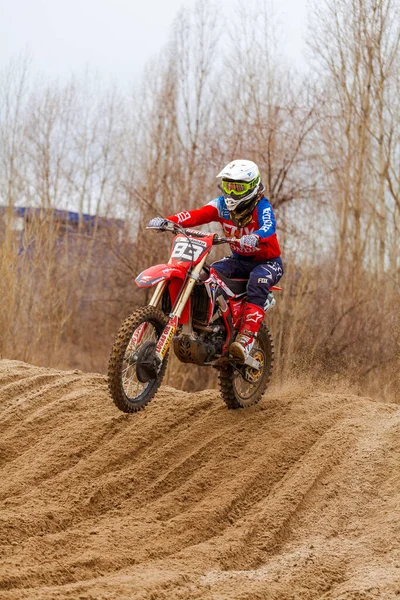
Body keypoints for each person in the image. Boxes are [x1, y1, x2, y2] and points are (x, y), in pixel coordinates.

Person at [148, 159, 283, 362]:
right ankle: (215, 326)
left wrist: (256, 236)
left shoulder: (261, 206)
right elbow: (196, 215)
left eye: (238, 188)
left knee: (258, 279)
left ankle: (246, 337)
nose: (232, 193)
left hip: (267, 263)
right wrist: (169, 221)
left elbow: (268, 227)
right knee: (211, 275)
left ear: (253, 187)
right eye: (228, 186)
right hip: (239, 260)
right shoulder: (221, 205)